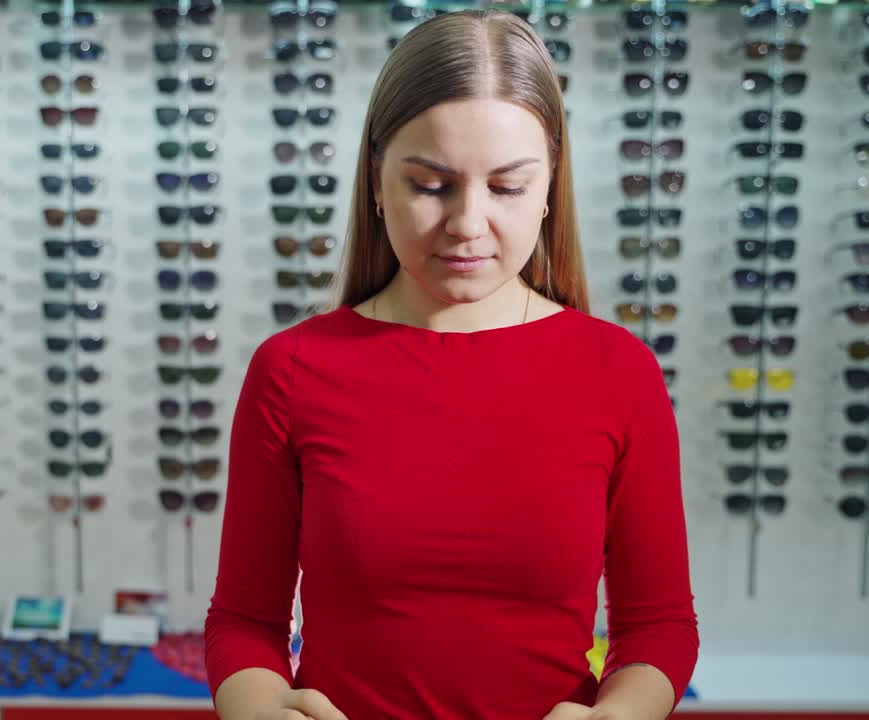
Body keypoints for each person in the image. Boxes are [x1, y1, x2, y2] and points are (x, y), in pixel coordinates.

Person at [204, 9, 698, 719]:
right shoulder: (292, 370)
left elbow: (658, 626)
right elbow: (245, 621)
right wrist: (256, 708)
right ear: (376, 183)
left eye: (506, 187)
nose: (468, 223)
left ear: (550, 186)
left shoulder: (619, 372)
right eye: (431, 185)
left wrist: (618, 716)